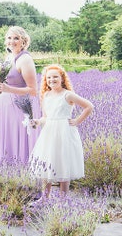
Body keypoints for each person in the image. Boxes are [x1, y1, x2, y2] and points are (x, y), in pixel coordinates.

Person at [29, 64, 93, 199]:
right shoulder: (46, 95)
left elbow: (89, 106)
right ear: (46, 80)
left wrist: (77, 121)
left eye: (55, 77)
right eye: (49, 78)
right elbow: (46, 117)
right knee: (46, 163)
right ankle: (44, 198)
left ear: (62, 78)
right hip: (49, 132)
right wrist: (37, 121)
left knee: (64, 162)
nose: (52, 80)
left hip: (64, 131)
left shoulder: (67, 94)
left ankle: (63, 200)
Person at [0, 26, 39, 164]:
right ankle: (5, 175)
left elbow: (33, 89)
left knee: (17, 140)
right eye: (9, 38)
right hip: (4, 108)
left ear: (23, 41)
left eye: (16, 38)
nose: (12, 41)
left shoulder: (25, 60)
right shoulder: (8, 57)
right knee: (6, 140)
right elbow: (2, 88)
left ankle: (21, 174)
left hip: (19, 108)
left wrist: (8, 89)